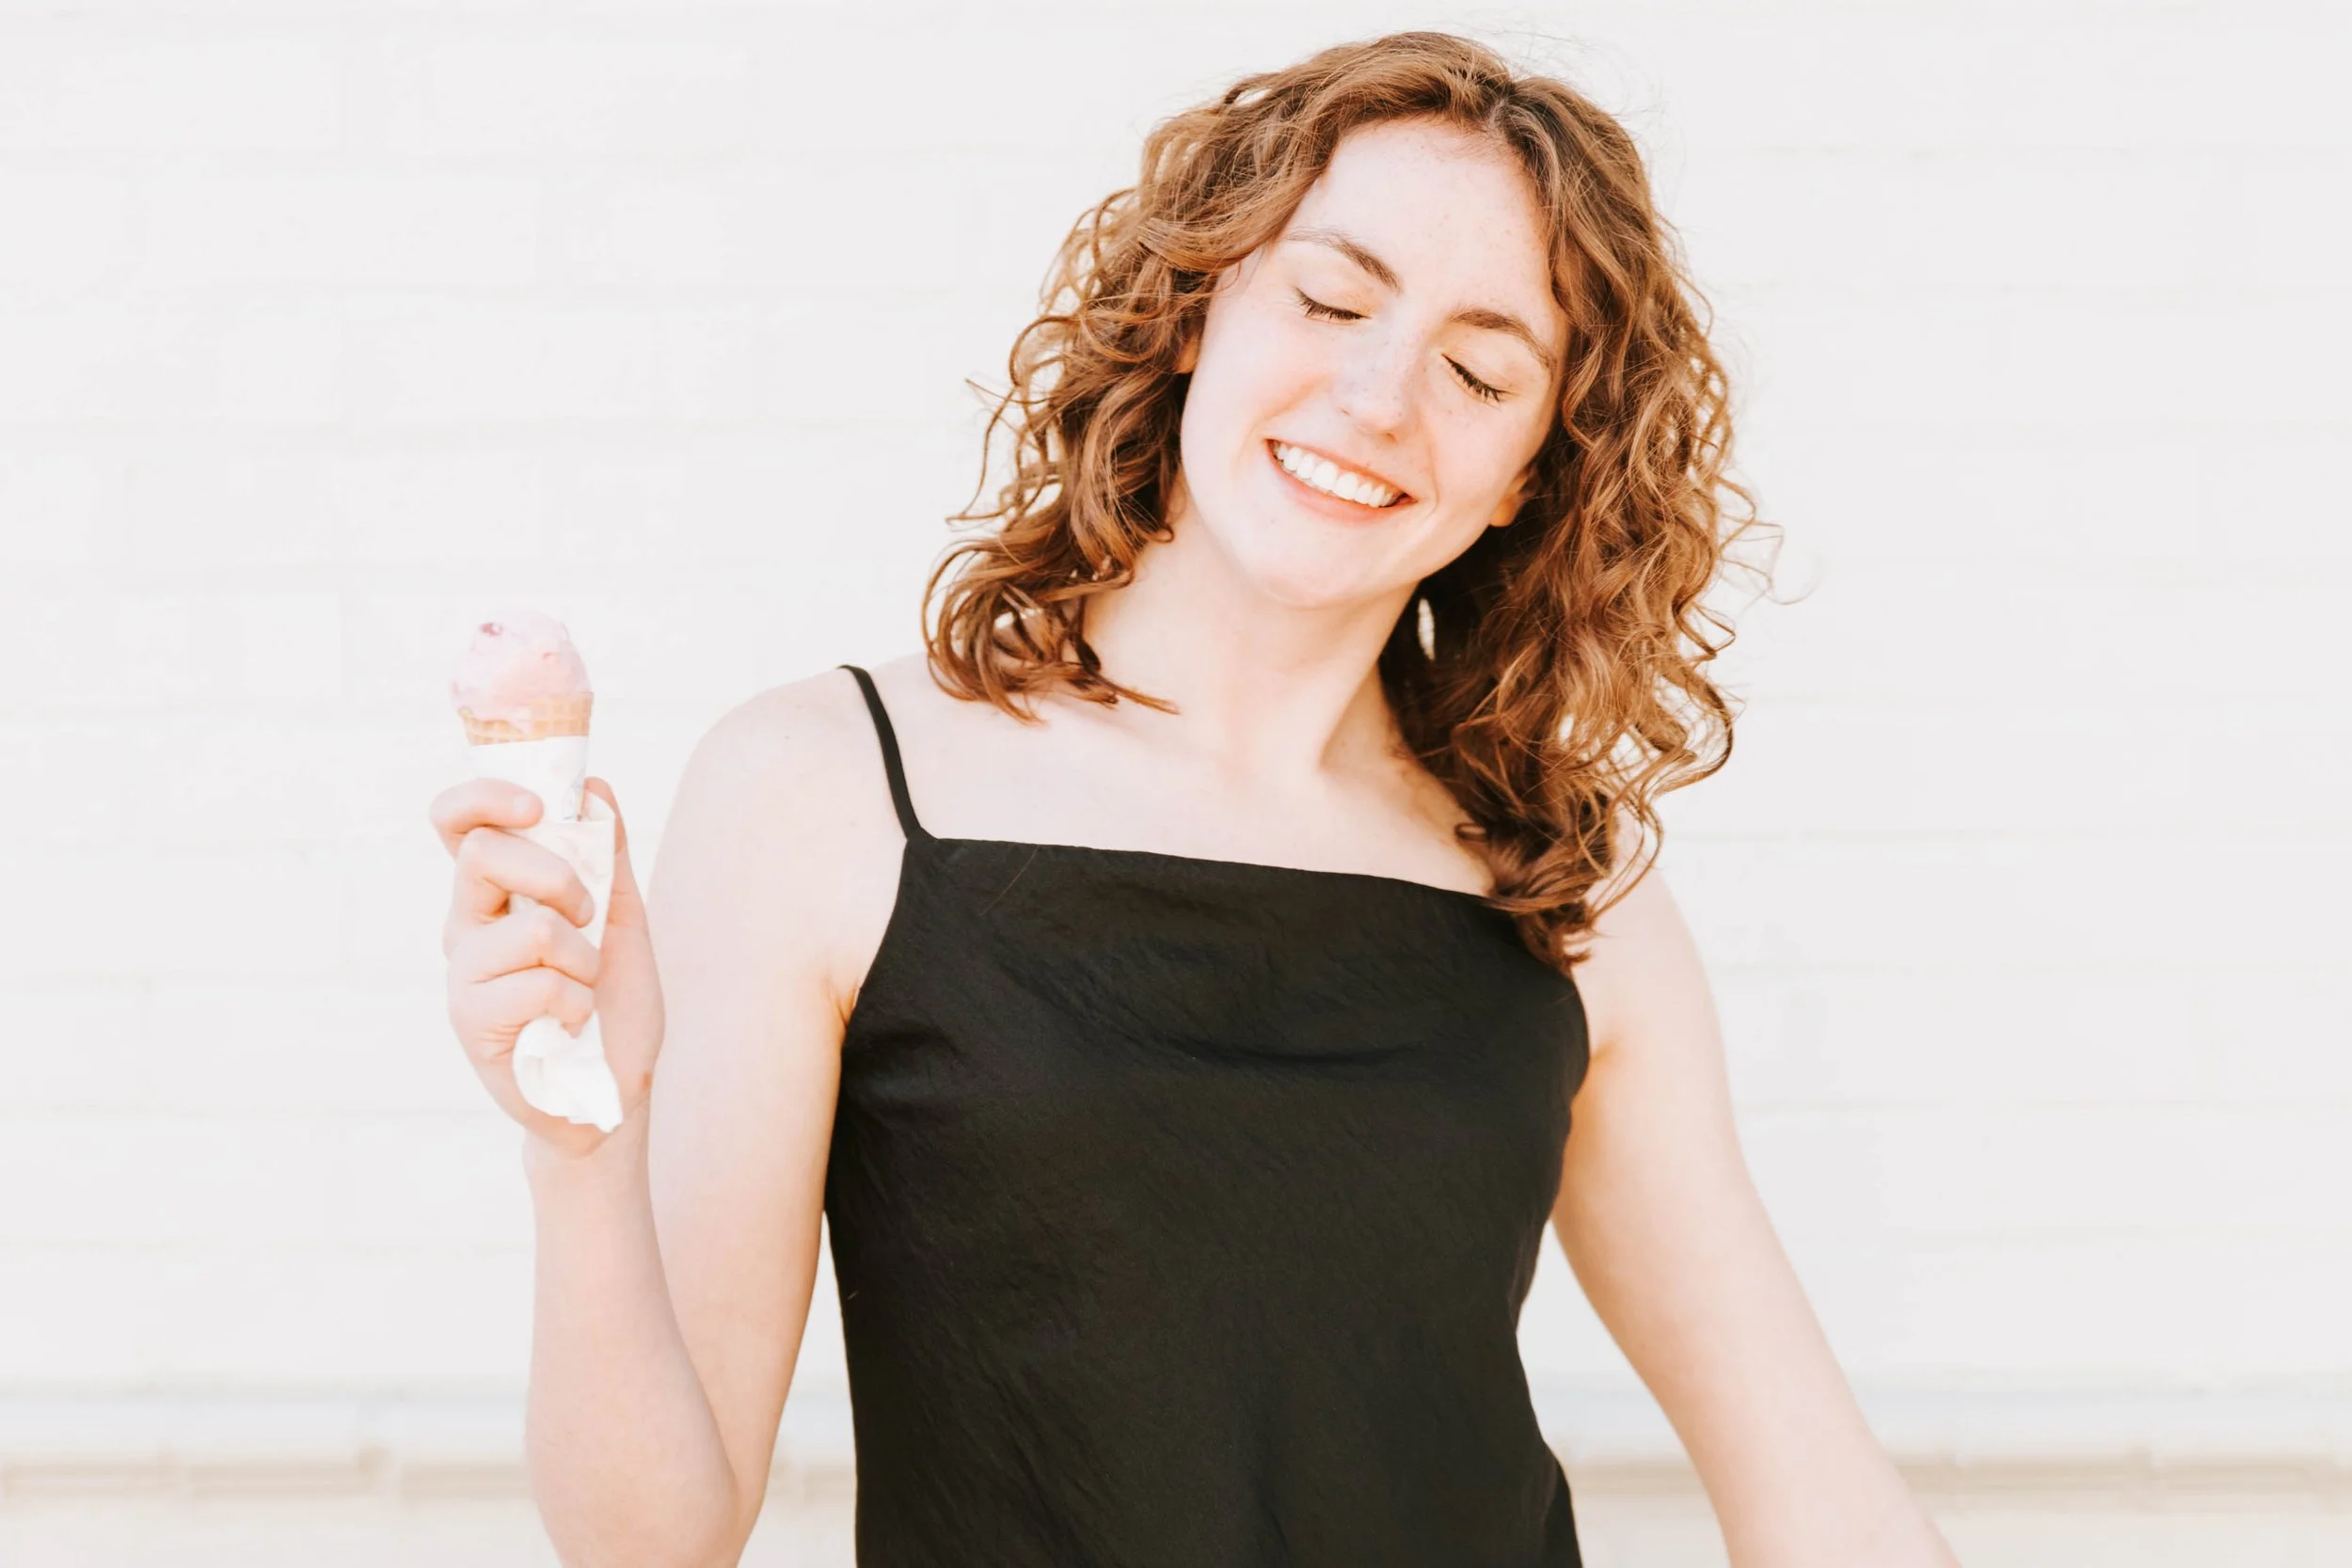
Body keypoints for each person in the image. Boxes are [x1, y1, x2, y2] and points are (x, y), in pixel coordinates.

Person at [428, 30, 1960, 1568]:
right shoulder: (823, 790)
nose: (1376, 398)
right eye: (1331, 299)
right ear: (1195, 308)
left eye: (1479, 369)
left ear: (1526, 475)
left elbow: (1823, 1500)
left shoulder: (1566, 893)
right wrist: (581, 1152)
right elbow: (653, 1543)